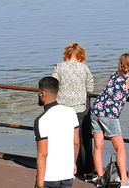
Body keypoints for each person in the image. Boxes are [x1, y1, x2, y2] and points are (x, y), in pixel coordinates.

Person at [90, 53, 129, 188]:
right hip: (110, 115)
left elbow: (116, 92)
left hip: (96, 109)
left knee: (98, 146)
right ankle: (124, 180)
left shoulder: (114, 74)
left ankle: (100, 179)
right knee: (120, 148)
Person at [52, 43, 95, 179]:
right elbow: (90, 89)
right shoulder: (84, 68)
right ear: (80, 56)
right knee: (81, 139)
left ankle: (64, 166)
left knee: (62, 138)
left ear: (67, 55)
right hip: (80, 109)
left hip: (62, 108)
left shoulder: (59, 67)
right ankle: (84, 170)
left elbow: (52, 84)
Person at [34, 75, 80, 188]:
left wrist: (39, 184)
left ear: (42, 94)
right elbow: (76, 143)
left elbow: (42, 154)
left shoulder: (41, 120)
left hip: (49, 177)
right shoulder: (71, 112)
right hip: (67, 173)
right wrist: (73, 163)